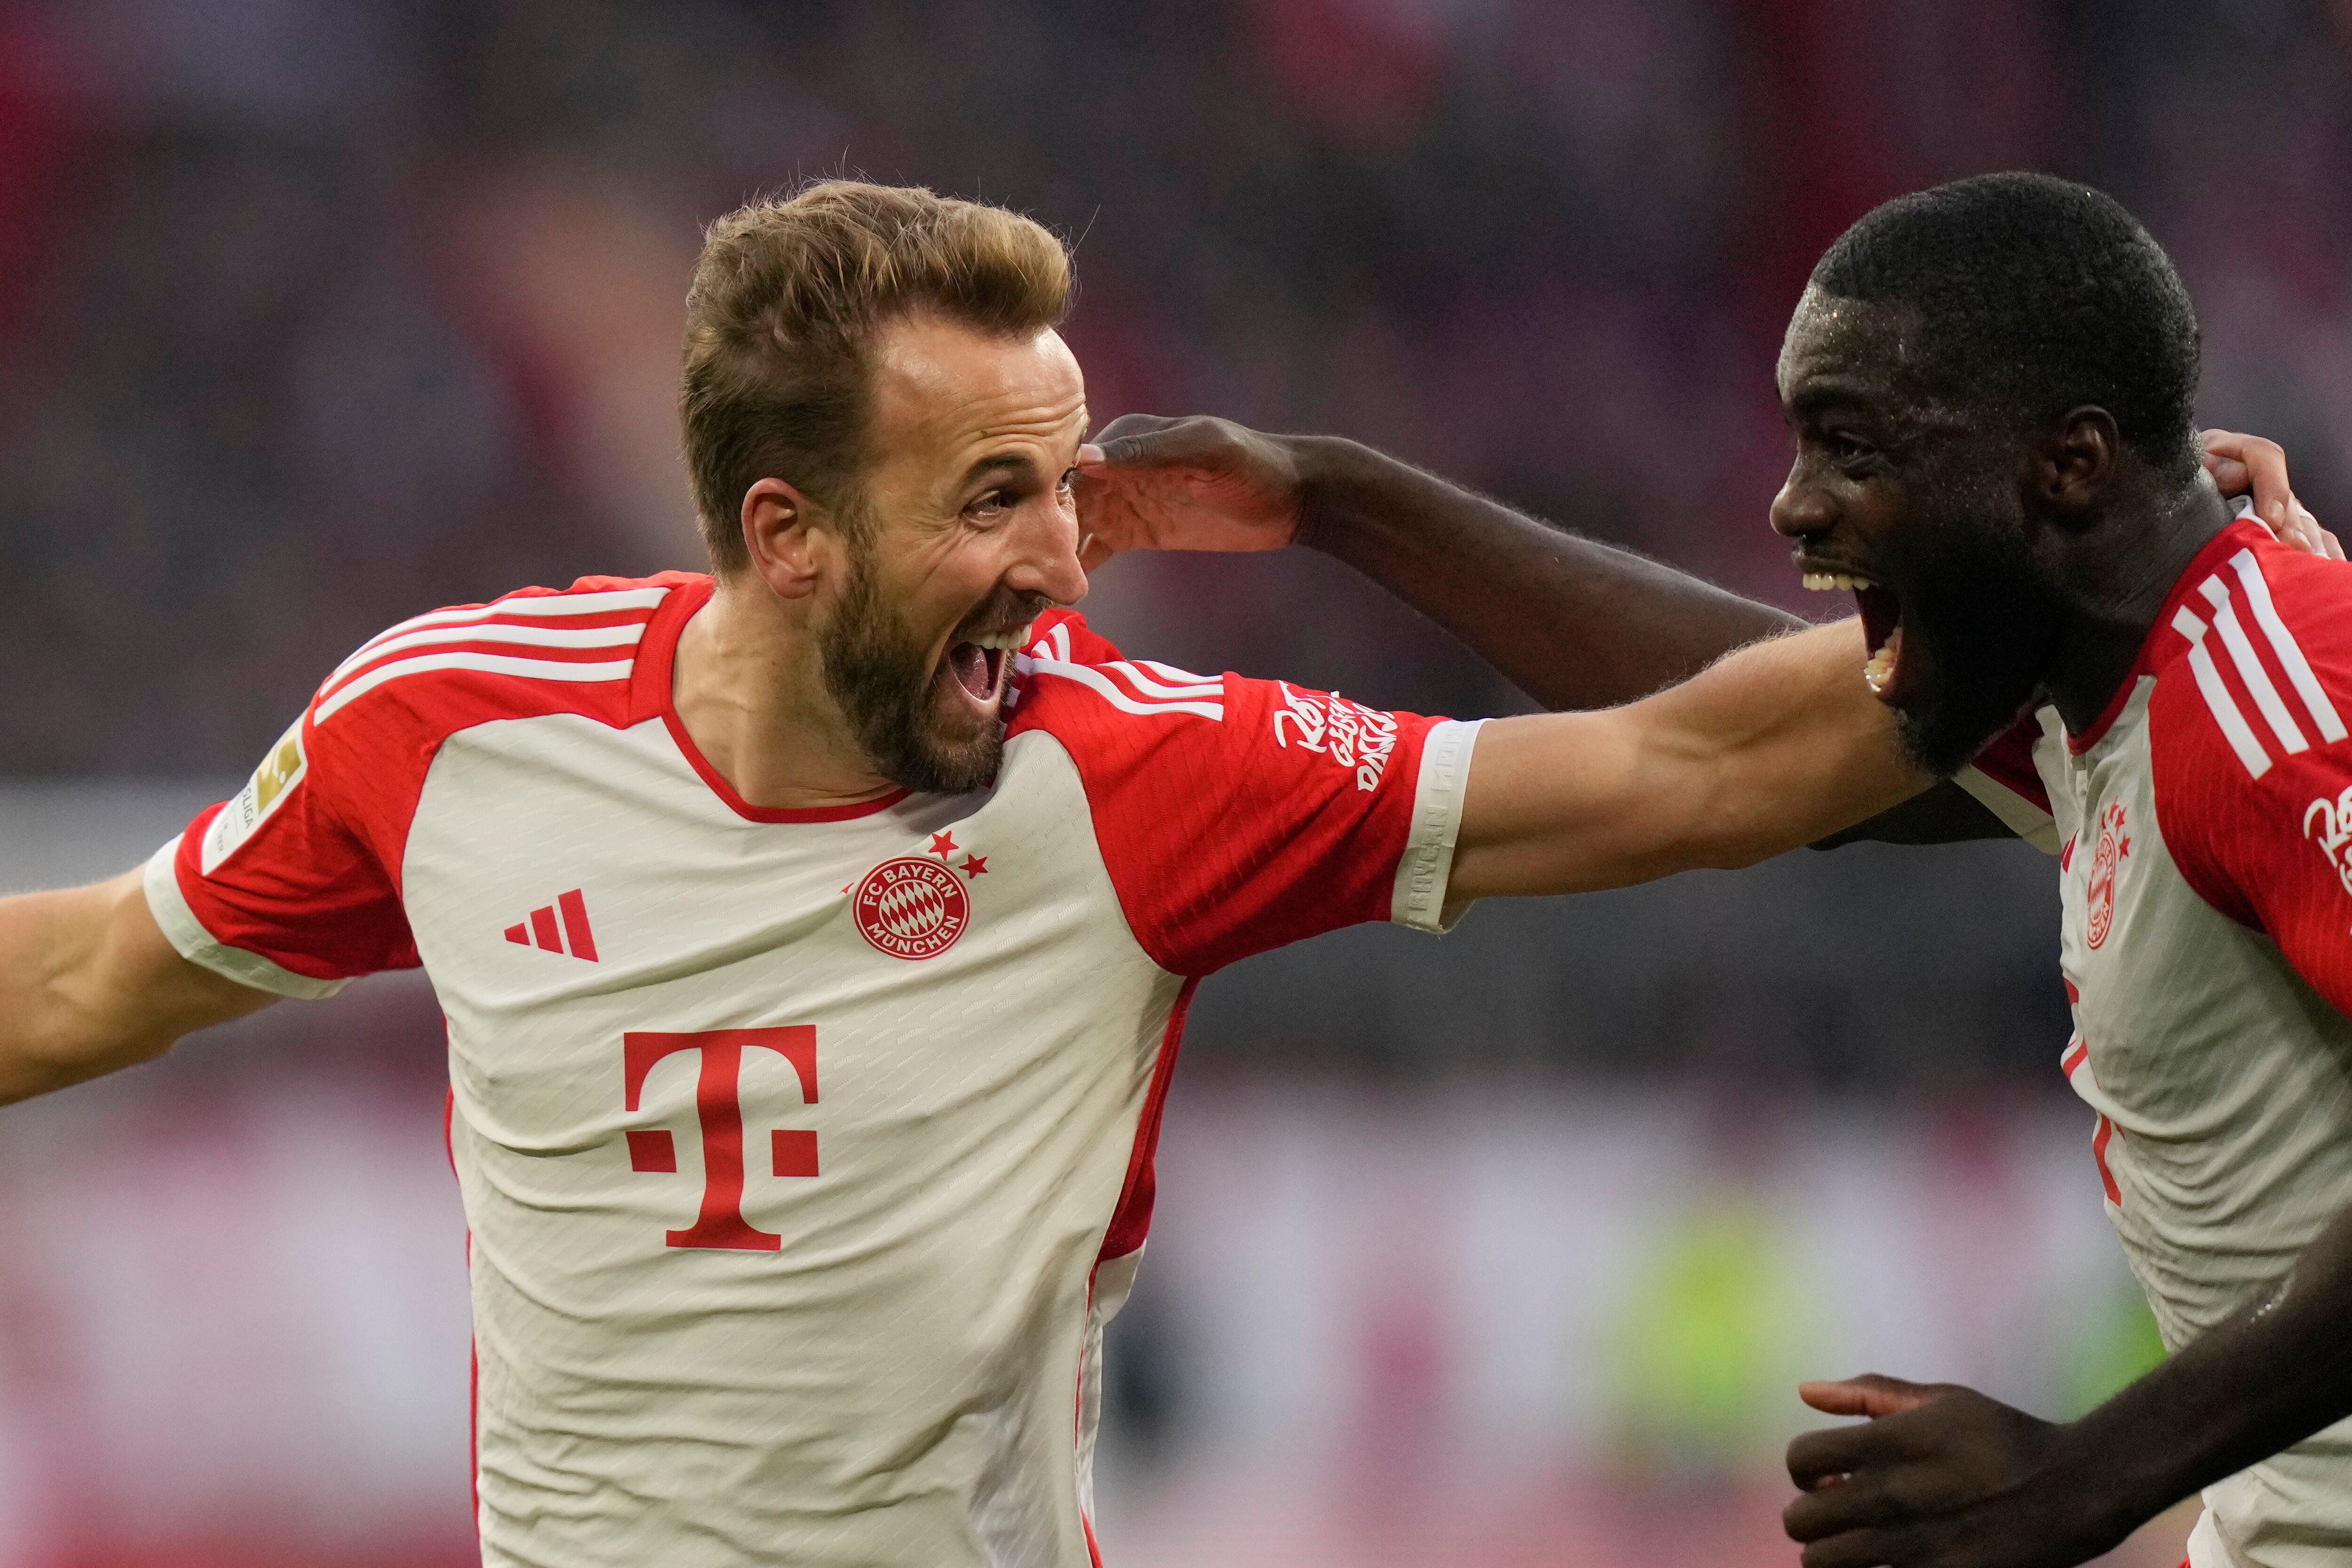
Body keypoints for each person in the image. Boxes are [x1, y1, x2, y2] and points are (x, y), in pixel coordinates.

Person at [0, 179, 1948, 1568]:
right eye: (993, 500)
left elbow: (1693, 765)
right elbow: (88, 978)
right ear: (789, 533)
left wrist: (2076, 619)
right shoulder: (447, 733)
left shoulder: (1136, 774)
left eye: (1067, 487)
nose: (1067, 565)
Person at [1074, 174, 2351, 1568]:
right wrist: (1333, 497)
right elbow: (1711, 738)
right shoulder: (2082, 688)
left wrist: (2081, 1476)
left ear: (2070, 465)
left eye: (1852, 447)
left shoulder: (2270, 701)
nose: (1793, 507)